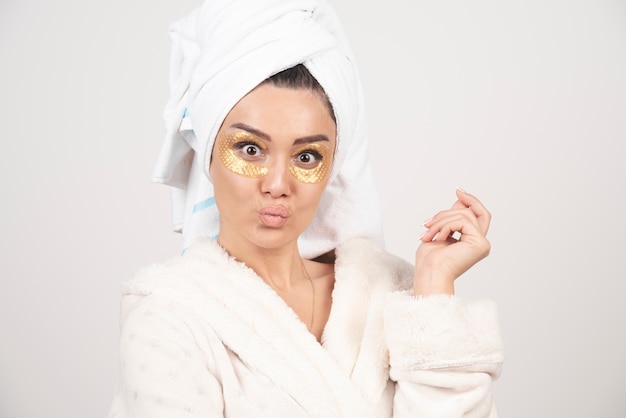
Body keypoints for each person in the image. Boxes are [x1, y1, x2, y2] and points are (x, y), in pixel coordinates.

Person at [107, 0, 503, 416]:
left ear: (333, 166)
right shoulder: (170, 315)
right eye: (250, 149)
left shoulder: (389, 293)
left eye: (307, 157)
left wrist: (435, 284)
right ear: (207, 154)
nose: (278, 185)